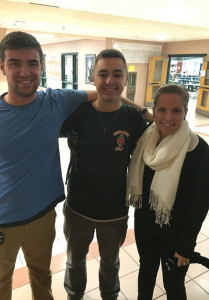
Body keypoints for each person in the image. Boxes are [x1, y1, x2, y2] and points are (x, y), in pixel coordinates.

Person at [0, 31, 97, 300]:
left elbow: (103, 91)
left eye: (32, 63)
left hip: (42, 217)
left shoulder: (55, 101)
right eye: (15, 63)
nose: (25, 72)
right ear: (2, 66)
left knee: (42, 275)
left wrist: (145, 113)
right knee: (0, 280)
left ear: (41, 67)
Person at [61, 49, 149, 300]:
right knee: (74, 260)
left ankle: (109, 296)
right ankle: (74, 295)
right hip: (77, 208)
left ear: (125, 80)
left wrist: (147, 113)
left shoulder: (133, 119)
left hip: (115, 210)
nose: (110, 81)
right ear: (93, 77)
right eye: (103, 74)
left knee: (110, 262)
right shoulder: (78, 114)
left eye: (117, 74)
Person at [126, 84, 209, 300]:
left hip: (177, 234)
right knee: (146, 274)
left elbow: (201, 203)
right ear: (154, 110)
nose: (168, 117)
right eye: (162, 110)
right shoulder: (146, 138)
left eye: (176, 111)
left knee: (173, 286)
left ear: (185, 112)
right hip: (145, 227)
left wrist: (186, 245)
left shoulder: (197, 149)